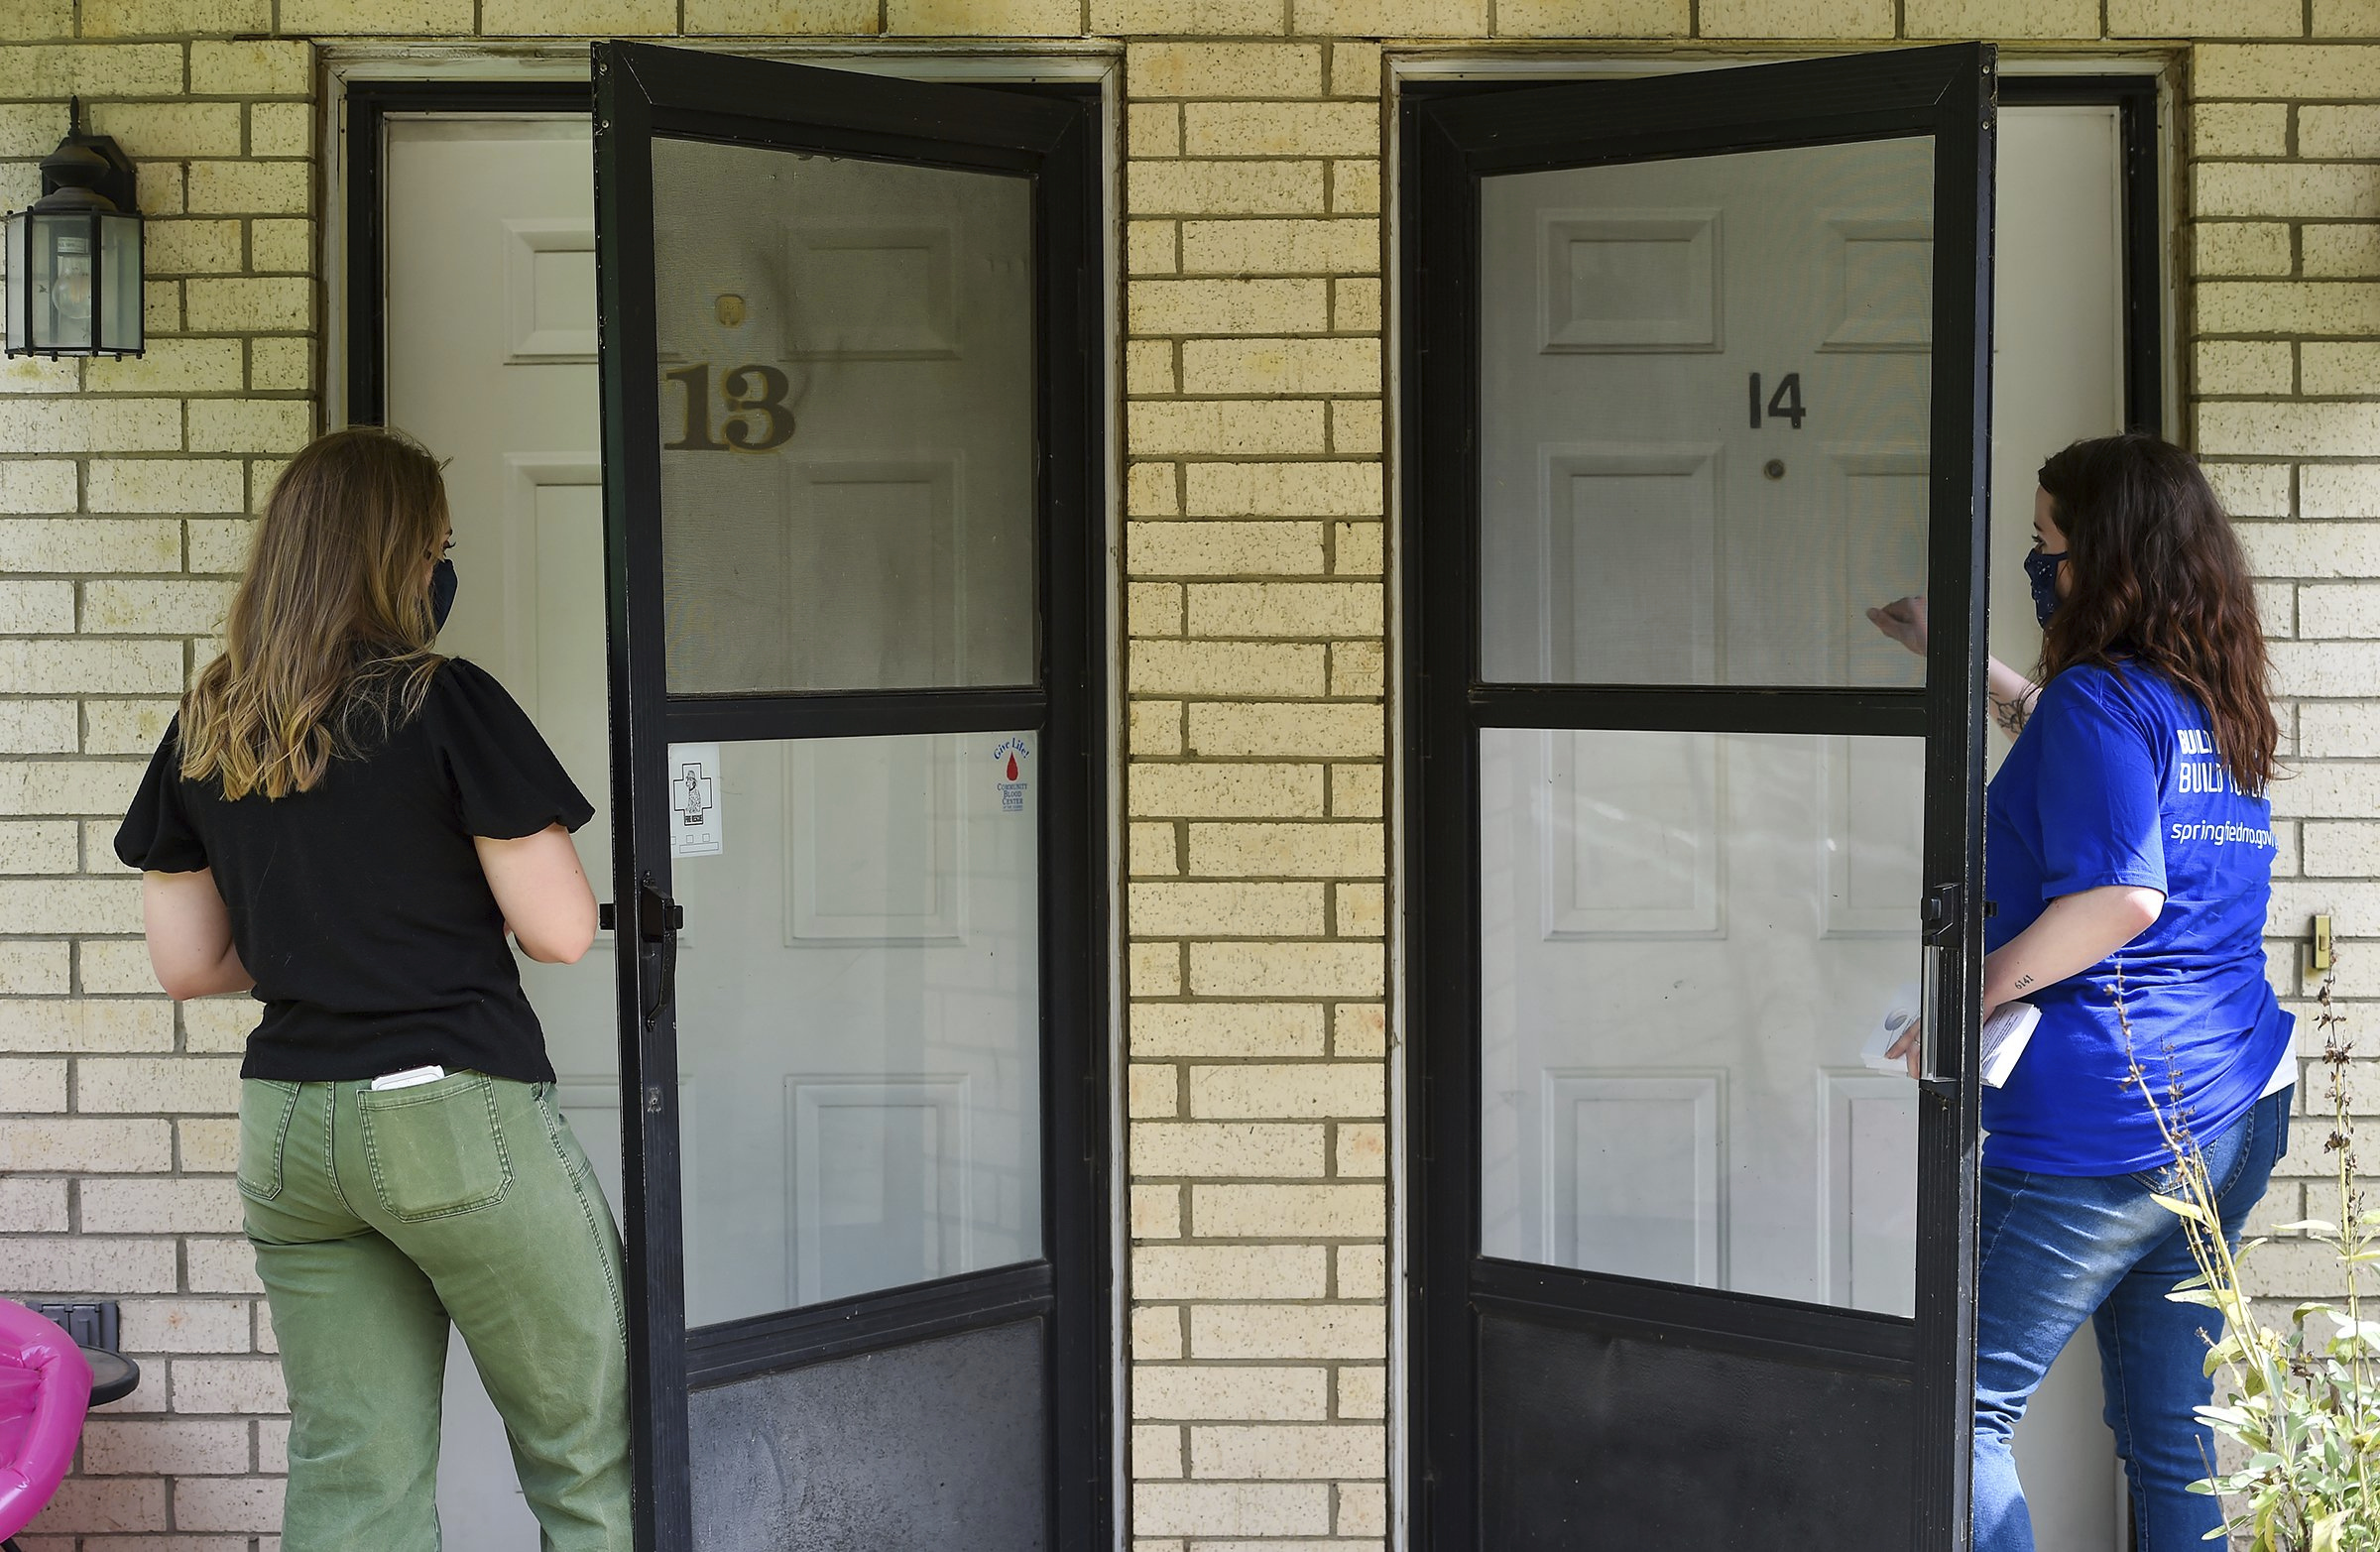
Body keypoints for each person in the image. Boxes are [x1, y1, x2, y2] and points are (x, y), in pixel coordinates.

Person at [113, 427, 631, 1551]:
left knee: (355, 1479)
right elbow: (561, 931)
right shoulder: (443, 701)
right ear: (400, 558)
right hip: (450, 1118)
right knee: (593, 1457)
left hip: (291, 1131)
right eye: (439, 547)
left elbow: (190, 964)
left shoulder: (213, 718)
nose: (445, 569)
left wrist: (327, 939)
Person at [1869, 432, 2295, 1552]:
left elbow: (2119, 896)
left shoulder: (2101, 701)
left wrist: (1967, 995)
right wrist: (1969, 665)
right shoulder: (2209, 696)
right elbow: (2078, 748)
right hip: (2235, 1101)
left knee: (1952, 1408)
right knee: (2171, 1427)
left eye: (2046, 542)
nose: (2036, 563)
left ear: (2105, 556)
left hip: (2110, 1117)